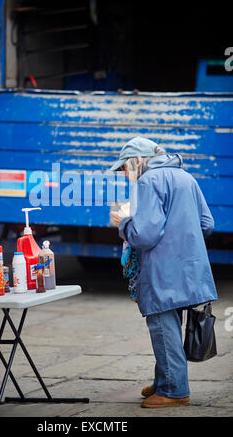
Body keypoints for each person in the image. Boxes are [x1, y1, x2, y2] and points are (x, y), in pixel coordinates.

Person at [110, 136, 218, 408]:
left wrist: (124, 223)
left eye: (124, 168)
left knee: (162, 325)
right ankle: (164, 381)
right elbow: (207, 224)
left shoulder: (147, 181)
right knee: (169, 324)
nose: (125, 175)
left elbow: (144, 235)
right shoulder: (186, 177)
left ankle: (173, 390)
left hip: (162, 270)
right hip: (190, 267)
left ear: (137, 161)